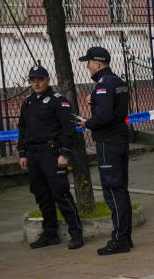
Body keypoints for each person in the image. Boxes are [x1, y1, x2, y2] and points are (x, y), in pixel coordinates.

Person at [17, 65, 84, 250]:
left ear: (47, 80)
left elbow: (68, 129)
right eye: (32, 80)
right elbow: (22, 129)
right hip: (33, 154)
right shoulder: (28, 102)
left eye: (39, 79)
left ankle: (76, 232)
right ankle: (50, 233)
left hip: (52, 153)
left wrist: (65, 154)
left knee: (60, 193)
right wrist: (22, 153)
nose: (36, 83)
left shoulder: (58, 101)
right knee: (42, 195)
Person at [75, 46, 133, 255]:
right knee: (121, 189)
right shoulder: (117, 81)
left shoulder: (103, 85)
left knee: (113, 190)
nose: (88, 67)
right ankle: (125, 236)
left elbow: (105, 116)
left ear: (97, 63)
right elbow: (114, 107)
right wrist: (96, 102)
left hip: (108, 141)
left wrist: (87, 123)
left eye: (89, 62)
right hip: (119, 138)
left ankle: (120, 239)